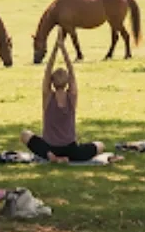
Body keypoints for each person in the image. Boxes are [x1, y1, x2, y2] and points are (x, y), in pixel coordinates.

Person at [20, 28, 104, 162]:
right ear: (67, 82)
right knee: (100, 145)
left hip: (49, 147)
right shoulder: (72, 97)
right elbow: (72, 71)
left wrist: (54, 49)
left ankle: (49, 155)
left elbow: (47, 72)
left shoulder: (48, 97)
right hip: (71, 149)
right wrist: (63, 48)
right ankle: (67, 158)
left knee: (25, 134)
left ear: (52, 82)